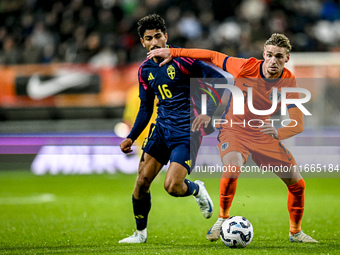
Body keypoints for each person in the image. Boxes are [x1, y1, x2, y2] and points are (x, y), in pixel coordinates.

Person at [147, 33, 318, 243]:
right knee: (232, 167)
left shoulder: (288, 81)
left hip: (263, 133)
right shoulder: (245, 66)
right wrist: (174, 52)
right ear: (264, 54)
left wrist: (279, 132)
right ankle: (222, 218)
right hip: (234, 129)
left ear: (286, 59)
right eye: (270, 55)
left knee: (298, 184)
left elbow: (298, 122)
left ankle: (296, 232)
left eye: (279, 57)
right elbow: (211, 56)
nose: (274, 61)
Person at [119, 14, 227, 243]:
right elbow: (146, 109)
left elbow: (220, 79)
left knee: (173, 186)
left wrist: (208, 111)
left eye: (158, 36)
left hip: (186, 132)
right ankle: (140, 233)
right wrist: (131, 137)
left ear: (166, 37)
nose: (155, 42)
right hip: (161, 130)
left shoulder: (184, 60)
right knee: (141, 183)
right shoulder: (145, 70)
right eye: (149, 38)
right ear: (143, 42)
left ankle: (196, 189)